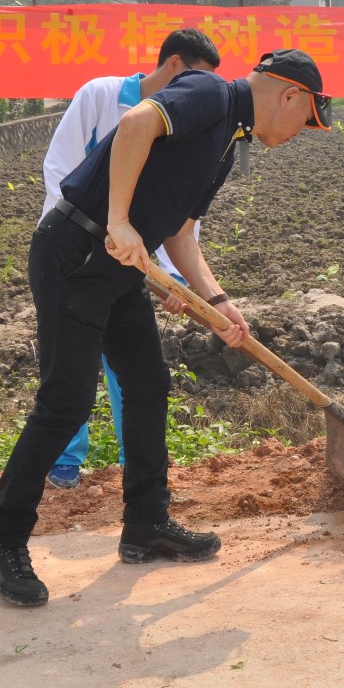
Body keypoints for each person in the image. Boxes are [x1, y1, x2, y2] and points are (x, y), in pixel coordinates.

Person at [0, 49, 333, 606]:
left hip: (117, 266)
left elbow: (180, 233)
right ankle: (0, 540)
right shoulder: (210, 94)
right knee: (65, 402)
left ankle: (146, 524)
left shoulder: (225, 146)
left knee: (146, 385)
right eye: (306, 118)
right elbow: (136, 123)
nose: (300, 131)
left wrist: (216, 299)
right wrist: (118, 221)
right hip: (75, 249)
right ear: (289, 94)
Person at [39, 28, 223, 490]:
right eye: (198, 84)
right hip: (76, 255)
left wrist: (175, 281)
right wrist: (100, 231)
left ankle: (134, 461)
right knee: (67, 368)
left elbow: (176, 218)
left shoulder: (184, 128)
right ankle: (63, 462)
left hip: (131, 264)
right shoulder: (100, 96)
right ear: (174, 67)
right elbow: (60, 171)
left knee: (135, 370)